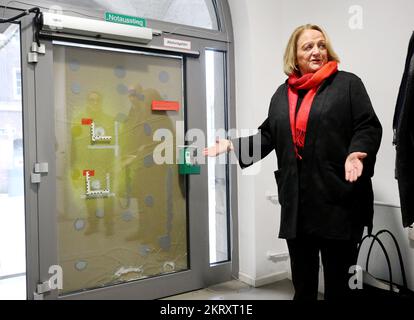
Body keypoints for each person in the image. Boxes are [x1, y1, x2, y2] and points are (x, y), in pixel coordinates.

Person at [204, 24, 382, 300]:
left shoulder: (348, 84)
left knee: (340, 284)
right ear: (294, 55)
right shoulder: (282, 94)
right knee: (303, 283)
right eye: (308, 46)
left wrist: (356, 151)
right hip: (298, 205)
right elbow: (268, 135)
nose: (316, 51)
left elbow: (367, 126)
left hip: (339, 201)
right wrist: (232, 145)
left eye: (321, 45)